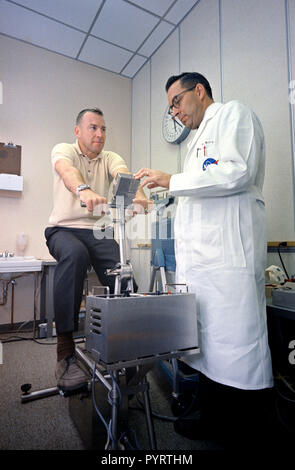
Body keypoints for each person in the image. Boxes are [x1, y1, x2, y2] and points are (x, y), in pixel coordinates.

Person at [134, 73, 274, 442]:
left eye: (177, 102)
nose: (175, 112)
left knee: (238, 351)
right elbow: (198, 193)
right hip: (203, 268)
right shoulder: (195, 143)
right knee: (208, 349)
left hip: (229, 262)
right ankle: (212, 419)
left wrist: (171, 180)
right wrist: (159, 199)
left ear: (199, 90)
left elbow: (236, 172)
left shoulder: (233, 115)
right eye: (170, 108)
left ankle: (249, 431)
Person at [45, 107, 148, 393]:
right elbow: (67, 171)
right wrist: (83, 190)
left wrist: (138, 195)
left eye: (103, 129)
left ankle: (128, 347)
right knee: (74, 255)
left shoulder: (110, 157)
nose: (99, 134)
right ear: (78, 131)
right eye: (92, 128)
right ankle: (65, 353)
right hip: (62, 230)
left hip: (97, 232)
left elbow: (123, 174)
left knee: (122, 268)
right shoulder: (63, 149)